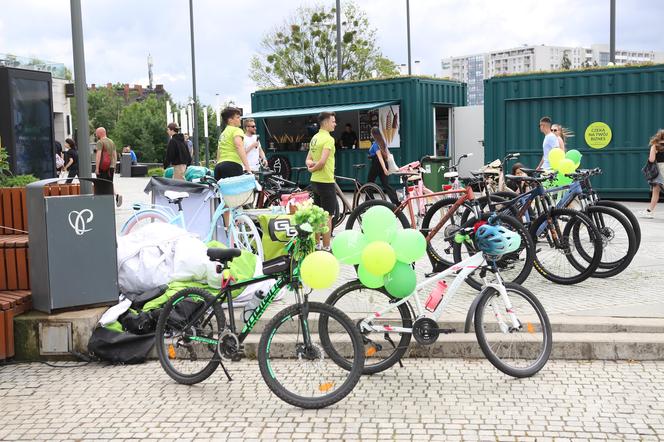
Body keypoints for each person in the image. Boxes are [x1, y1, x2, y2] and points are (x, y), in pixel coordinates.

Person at [306, 112, 337, 251]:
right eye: (333, 121)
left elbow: (308, 159)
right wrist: (314, 168)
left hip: (315, 182)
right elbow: (323, 162)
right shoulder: (329, 139)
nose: (335, 124)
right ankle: (326, 247)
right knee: (327, 216)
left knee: (317, 215)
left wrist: (311, 167)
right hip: (326, 181)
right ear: (325, 123)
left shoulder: (315, 138)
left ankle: (316, 244)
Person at [367, 126, 399, 204]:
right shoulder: (382, 142)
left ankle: (369, 202)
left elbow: (379, 157)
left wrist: (384, 169)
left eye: (371, 133)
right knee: (386, 184)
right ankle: (397, 201)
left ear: (373, 134)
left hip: (376, 165)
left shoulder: (375, 144)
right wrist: (386, 167)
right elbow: (387, 154)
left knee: (369, 183)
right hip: (383, 164)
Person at [95, 127, 121, 207]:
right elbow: (115, 155)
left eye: (96, 133)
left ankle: (103, 203)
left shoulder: (100, 142)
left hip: (103, 167)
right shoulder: (111, 141)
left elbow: (98, 156)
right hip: (111, 167)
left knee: (101, 185)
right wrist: (114, 165)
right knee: (109, 184)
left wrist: (96, 168)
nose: (96, 134)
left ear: (100, 133)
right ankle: (116, 196)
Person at [642, 129, 664, 218]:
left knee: (655, 192)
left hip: (659, 171)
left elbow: (651, 160)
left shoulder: (655, 146)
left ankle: (650, 211)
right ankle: (649, 210)